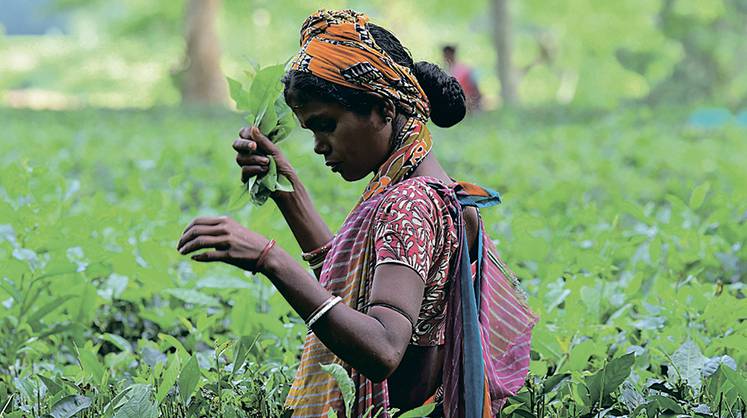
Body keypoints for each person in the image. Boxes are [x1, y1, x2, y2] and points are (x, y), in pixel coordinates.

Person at [177, 9, 536, 418]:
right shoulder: (435, 192)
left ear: (384, 108)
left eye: (326, 125)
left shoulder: (409, 205)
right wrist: (288, 192)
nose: (318, 145)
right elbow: (360, 297)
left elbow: (382, 348)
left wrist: (270, 259)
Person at [443, 45, 482, 112]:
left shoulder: (465, 70)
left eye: (448, 54)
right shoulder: (443, 71)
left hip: (467, 103)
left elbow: (475, 87)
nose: (447, 57)